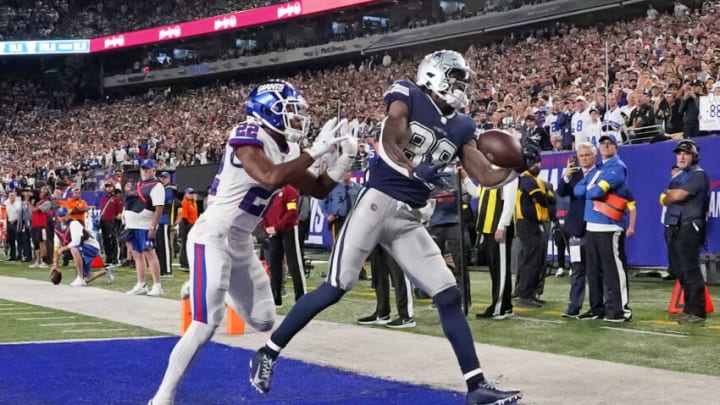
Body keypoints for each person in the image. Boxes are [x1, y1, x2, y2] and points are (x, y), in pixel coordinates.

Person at [249, 50, 536, 405]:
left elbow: (484, 175)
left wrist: (520, 165)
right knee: (337, 285)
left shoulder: (462, 126)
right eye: (457, 79)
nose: (463, 88)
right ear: (434, 76)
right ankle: (267, 352)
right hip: (376, 204)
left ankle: (476, 386)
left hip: (409, 218)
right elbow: (389, 140)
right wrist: (414, 171)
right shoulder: (407, 95)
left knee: (448, 294)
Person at [148, 79, 355, 405]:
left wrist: (345, 160)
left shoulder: (288, 149)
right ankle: (163, 396)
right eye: (291, 113)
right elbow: (269, 177)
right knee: (206, 323)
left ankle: (214, 285)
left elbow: (317, 189)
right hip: (212, 234)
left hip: (241, 241)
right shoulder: (247, 133)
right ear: (267, 112)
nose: (298, 121)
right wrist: (316, 151)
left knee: (263, 320)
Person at [574, 134, 633, 322]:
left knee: (613, 270)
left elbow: (596, 192)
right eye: (602, 144)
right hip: (592, 225)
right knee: (593, 270)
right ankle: (597, 308)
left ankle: (619, 309)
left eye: (609, 143)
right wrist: (591, 188)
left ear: (616, 147)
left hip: (609, 225)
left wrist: (590, 188)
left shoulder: (617, 167)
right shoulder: (599, 168)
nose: (605, 146)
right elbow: (578, 190)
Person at [660, 139, 710, 324]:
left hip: (689, 225)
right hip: (675, 225)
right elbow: (665, 199)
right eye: (679, 153)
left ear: (694, 156)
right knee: (679, 270)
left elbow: (676, 195)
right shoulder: (679, 176)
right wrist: (670, 195)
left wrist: (671, 194)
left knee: (690, 270)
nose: (681, 156)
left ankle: (697, 312)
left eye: (686, 153)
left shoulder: (698, 175)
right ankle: (688, 308)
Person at [556, 143, 595, 317]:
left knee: (596, 269)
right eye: (582, 155)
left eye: (587, 155)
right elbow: (561, 192)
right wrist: (566, 176)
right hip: (576, 228)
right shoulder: (574, 173)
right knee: (577, 269)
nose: (585, 158)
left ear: (594, 156)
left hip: (596, 227)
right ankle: (574, 307)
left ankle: (597, 307)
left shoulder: (600, 172)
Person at [475, 177, 518, 320]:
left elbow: (510, 200)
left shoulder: (508, 174)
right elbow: (477, 193)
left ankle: (498, 307)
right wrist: (465, 180)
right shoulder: (488, 173)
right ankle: (505, 306)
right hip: (489, 226)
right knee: (496, 269)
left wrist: (502, 226)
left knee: (500, 269)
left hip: (498, 226)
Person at [260, 183, 306, 308]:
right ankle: (275, 297)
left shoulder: (289, 190)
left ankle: (301, 297)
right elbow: (262, 210)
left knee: (294, 264)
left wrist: (277, 226)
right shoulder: (267, 191)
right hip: (272, 232)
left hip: (289, 230)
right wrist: (266, 226)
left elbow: (291, 212)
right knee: (274, 265)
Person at [124, 159, 165, 297]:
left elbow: (159, 208)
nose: (145, 171)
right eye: (143, 168)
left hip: (145, 226)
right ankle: (141, 284)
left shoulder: (156, 186)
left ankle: (157, 285)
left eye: (147, 168)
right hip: (134, 225)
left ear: (154, 170)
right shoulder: (139, 184)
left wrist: (153, 227)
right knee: (137, 254)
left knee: (150, 253)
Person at [50, 207, 114, 286]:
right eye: (60, 216)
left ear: (67, 215)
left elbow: (76, 242)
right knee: (86, 279)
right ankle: (106, 271)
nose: (62, 218)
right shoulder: (57, 228)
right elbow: (56, 247)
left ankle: (79, 277)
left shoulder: (74, 223)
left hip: (91, 246)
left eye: (63, 215)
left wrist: (62, 249)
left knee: (74, 249)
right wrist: (55, 265)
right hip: (81, 248)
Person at [157, 171, 177, 278]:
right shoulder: (162, 189)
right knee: (160, 246)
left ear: (168, 179)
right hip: (159, 220)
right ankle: (162, 269)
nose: (163, 179)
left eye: (165, 178)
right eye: (162, 178)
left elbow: (164, 202)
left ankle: (168, 270)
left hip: (165, 220)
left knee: (165, 245)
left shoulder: (169, 190)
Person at [98, 181, 123, 265]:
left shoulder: (117, 198)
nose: (109, 188)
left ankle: (115, 258)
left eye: (110, 186)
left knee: (113, 239)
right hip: (104, 221)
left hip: (112, 221)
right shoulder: (104, 198)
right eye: (107, 187)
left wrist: (118, 217)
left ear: (113, 187)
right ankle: (108, 257)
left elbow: (120, 211)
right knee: (105, 241)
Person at [175, 188, 197, 271]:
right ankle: (184, 263)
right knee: (185, 244)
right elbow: (184, 216)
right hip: (186, 225)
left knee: (189, 244)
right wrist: (188, 227)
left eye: (192, 193)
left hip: (192, 225)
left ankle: (187, 262)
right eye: (190, 193)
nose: (191, 194)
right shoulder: (184, 202)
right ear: (186, 194)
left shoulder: (193, 203)